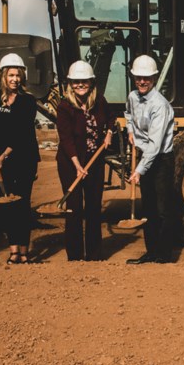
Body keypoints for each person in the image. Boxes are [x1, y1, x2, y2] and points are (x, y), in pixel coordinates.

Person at [55, 60, 114, 261]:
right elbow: (66, 139)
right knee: (74, 209)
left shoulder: (99, 102)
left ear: (91, 82)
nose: (80, 85)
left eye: (84, 81)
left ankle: (94, 254)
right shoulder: (64, 107)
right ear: (70, 83)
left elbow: (111, 118)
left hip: (94, 162)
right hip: (70, 163)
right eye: (76, 81)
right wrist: (77, 166)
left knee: (93, 208)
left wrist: (109, 133)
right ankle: (75, 254)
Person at [0, 53, 40, 264]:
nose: (15, 79)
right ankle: (14, 250)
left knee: (22, 205)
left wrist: (4, 154)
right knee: (7, 205)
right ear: (3, 76)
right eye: (11, 75)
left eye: (18, 75)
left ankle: (24, 252)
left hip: (23, 159)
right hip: (1, 161)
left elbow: (22, 132)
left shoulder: (28, 101)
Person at [124, 54, 177, 264]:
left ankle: (164, 255)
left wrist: (138, 170)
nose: (142, 81)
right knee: (149, 209)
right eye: (138, 78)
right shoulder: (132, 97)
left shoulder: (160, 105)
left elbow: (155, 145)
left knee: (163, 209)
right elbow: (128, 114)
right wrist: (130, 130)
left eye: (146, 78)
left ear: (154, 78)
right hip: (145, 157)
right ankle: (151, 252)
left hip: (161, 159)